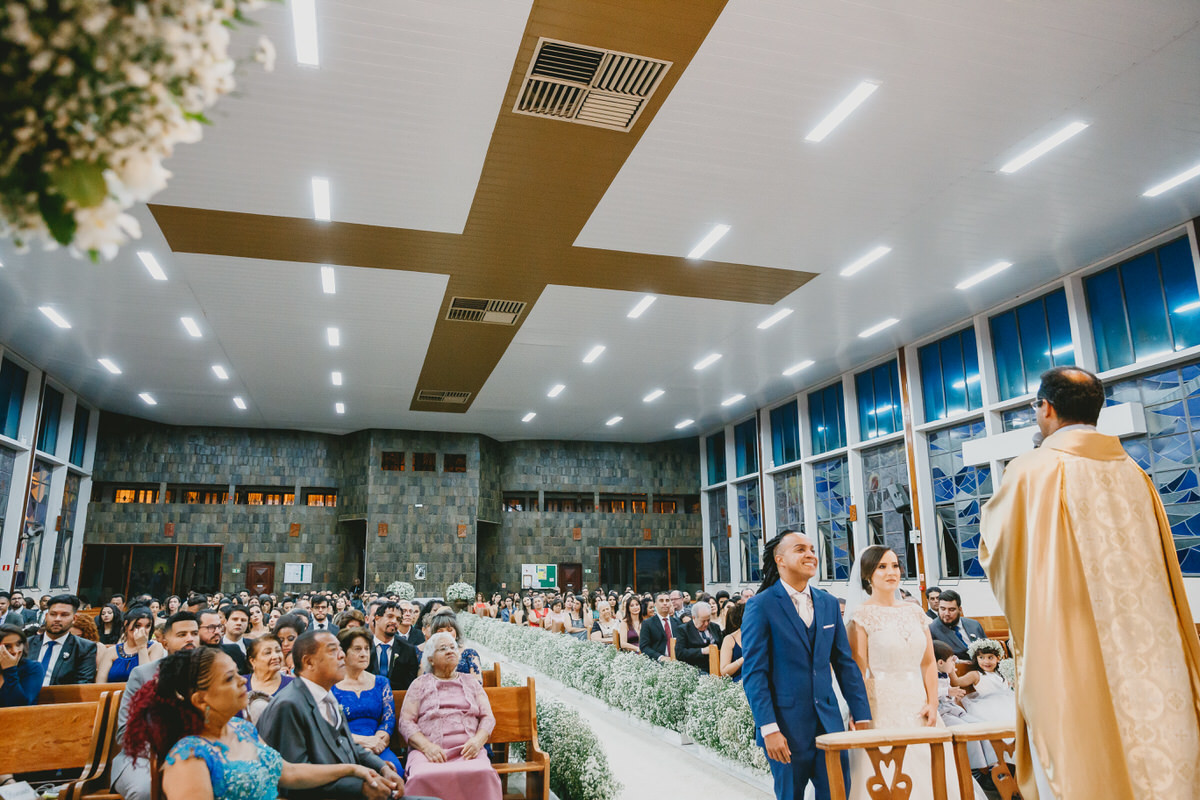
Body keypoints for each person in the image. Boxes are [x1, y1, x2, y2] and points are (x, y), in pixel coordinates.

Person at [981, 365, 1200, 800]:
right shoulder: (1137, 476)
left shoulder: (1033, 470)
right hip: (1156, 657)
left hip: (1073, 650)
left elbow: (999, 556)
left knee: (1079, 762)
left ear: (1045, 408)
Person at [124, 647, 385, 800]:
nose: (241, 682)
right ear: (201, 699)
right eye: (229, 679)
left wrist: (352, 769)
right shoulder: (189, 757)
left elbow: (290, 773)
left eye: (238, 674)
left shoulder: (243, 729)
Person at [742, 531, 871, 800]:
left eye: (812, 549)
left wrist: (862, 714)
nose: (810, 554)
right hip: (785, 728)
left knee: (838, 795)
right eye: (800, 549)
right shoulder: (761, 605)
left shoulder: (828, 603)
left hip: (829, 724)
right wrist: (769, 728)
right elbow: (755, 673)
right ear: (780, 560)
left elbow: (845, 664)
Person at [845, 546, 981, 800]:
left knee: (933, 769)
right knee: (888, 773)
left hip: (919, 702)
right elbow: (857, 670)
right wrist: (858, 710)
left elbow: (929, 663)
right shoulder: (861, 615)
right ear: (867, 575)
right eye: (882, 567)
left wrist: (931, 702)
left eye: (895, 565)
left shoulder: (915, 612)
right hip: (881, 705)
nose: (891, 572)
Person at [257, 631, 412, 800]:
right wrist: (360, 787)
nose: (342, 655)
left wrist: (382, 768)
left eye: (340, 649)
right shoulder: (289, 705)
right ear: (309, 662)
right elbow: (294, 781)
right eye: (332, 650)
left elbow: (348, 745)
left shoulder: (326, 695)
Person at [399, 631, 502, 800]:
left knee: (483, 772)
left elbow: (488, 717)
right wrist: (426, 747)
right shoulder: (419, 684)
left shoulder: (471, 682)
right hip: (429, 751)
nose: (450, 651)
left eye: (453, 647)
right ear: (430, 659)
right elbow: (406, 722)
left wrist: (478, 741)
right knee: (421, 776)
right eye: (443, 648)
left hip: (467, 749)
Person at [111, 611, 201, 800]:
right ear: (165, 642)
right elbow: (124, 733)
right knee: (146, 790)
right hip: (142, 757)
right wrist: (169, 753)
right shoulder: (143, 675)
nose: (190, 639)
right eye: (182, 635)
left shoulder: (209, 673)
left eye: (194, 633)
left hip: (199, 755)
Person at [331, 628, 402, 772]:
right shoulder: (332, 686)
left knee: (395, 769)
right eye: (357, 649)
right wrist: (362, 743)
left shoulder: (381, 682)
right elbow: (330, 727)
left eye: (367, 649)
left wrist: (377, 742)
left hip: (378, 744)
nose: (364, 654)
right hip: (345, 746)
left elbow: (388, 720)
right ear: (343, 653)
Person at [26, 594, 97, 686]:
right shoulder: (27, 643)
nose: (57, 619)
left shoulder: (84, 648)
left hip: (60, 698)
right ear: (46, 616)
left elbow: (82, 683)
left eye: (64, 615)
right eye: (53, 614)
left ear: (74, 619)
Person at [98, 607, 166, 683]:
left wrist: (142, 647)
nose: (142, 630)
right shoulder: (111, 651)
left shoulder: (155, 647)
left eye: (147, 626)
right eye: (137, 626)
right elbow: (99, 684)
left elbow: (148, 681)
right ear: (126, 625)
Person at [957, 639, 1015, 727]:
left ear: (998, 658)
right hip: (987, 705)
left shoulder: (1003, 672)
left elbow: (1011, 685)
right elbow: (957, 682)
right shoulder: (975, 675)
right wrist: (950, 670)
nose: (986, 661)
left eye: (990, 657)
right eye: (981, 658)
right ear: (976, 659)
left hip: (1008, 700)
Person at [366, 601, 420, 691]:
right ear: (377, 618)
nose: (394, 621)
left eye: (398, 619)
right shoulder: (364, 645)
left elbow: (410, 685)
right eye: (390, 616)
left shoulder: (407, 649)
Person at [243, 635, 293, 724]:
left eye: (278, 651)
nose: (275, 656)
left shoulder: (293, 685)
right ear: (252, 661)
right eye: (267, 653)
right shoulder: (239, 684)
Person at [927, 590, 985, 661]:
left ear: (960, 610)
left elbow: (988, 648)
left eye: (951, 609)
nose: (946, 613)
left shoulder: (974, 625)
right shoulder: (932, 629)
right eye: (943, 609)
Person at [0, 625, 43, 706]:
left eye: (18, 644)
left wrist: (10, 669)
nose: (15, 651)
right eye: (7, 646)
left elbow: (19, 706)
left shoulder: (33, 668)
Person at [676, 600, 723, 671]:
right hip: (696, 669)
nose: (706, 624)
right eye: (703, 621)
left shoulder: (715, 627)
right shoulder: (684, 630)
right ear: (694, 617)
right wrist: (702, 651)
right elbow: (680, 653)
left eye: (708, 620)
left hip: (718, 666)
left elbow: (722, 646)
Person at [639, 592, 676, 662]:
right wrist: (660, 657)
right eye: (661, 601)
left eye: (667, 601)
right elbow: (644, 647)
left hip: (677, 661)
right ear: (655, 604)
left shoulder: (677, 622)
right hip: (657, 663)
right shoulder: (648, 623)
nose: (665, 603)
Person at [719, 600, 745, 681]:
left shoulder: (761, 636)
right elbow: (724, 671)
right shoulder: (729, 639)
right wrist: (744, 658)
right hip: (738, 682)